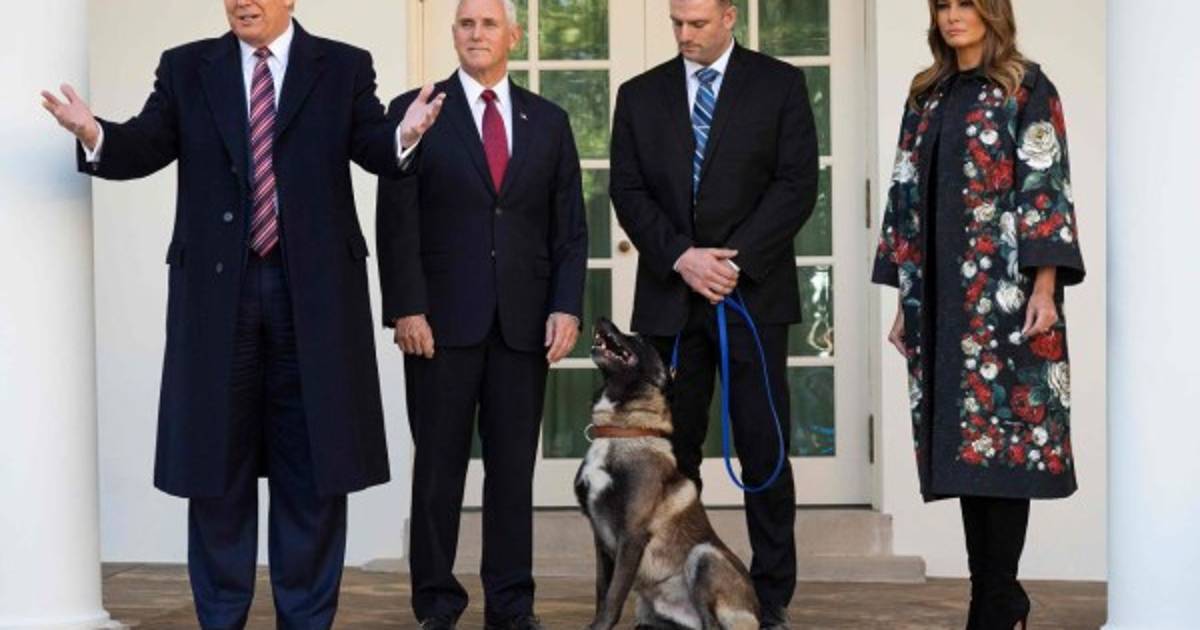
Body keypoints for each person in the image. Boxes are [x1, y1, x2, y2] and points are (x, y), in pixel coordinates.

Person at [40, 1, 444, 626]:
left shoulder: (342, 66)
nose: (243, 1)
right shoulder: (186, 67)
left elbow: (373, 146)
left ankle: (305, 618)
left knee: (311, 468)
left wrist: (406, 134)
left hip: (314, 297)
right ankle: (221, 617)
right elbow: (145, 145)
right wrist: (94, 133)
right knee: (216, 466)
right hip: (216, 295)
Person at [871, 1, 1085, 628]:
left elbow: (1046, 186)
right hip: (939, 302)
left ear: (993, 12)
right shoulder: (926, 95)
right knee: (966, 454)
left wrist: (1045, 288)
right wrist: (904, 298)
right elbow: (903, 193)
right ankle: (994, 598)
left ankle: (995, 601)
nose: (952, 16)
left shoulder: (1026, 87)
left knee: (1006, 451)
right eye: (943, 5)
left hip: (1006, 300)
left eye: (966, 3)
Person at [375, 0, 587, 627]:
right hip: (439, 327)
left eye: (489, 23)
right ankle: (436, 605)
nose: (476, 33)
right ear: (453, 35)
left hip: (522, 325)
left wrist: (566, 306)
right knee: (437, 474)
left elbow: (569, 229)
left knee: (512, 474)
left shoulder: (548, 121)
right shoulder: (416, 110)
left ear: (512, 36)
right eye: (466, 24)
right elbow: (396, 220)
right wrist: (406, 308)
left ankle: (511, 605)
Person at [608, 0, 819, 626]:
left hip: (751, 296)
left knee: (764, 449)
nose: (685, 34)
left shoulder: (780, 85)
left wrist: (733, 263)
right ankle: (668, 597)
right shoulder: (639, 95)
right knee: (671, 457)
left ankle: (769, 597)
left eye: (697, 23)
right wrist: (682, 258)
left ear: (730, 16)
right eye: (676, 22)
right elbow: (627, 190)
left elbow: (796, 184)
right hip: (671, 300)